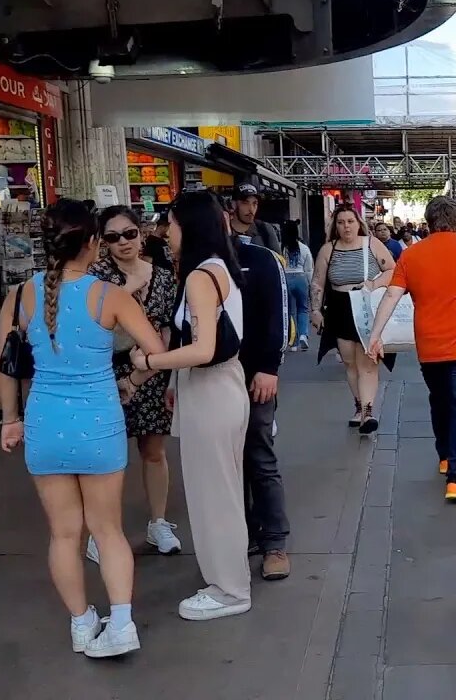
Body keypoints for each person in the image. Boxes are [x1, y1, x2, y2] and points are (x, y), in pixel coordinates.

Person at [0, 200, 166, 658]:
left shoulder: (21, 295)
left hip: (44, 425)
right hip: (99, 425)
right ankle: (122, 623)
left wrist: (11, 420)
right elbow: (156, 351)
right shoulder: (110, 296)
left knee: (64, 534)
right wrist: (131, 381)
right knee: (107, 530)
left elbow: (7, 365)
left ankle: (80, 622)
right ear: (92, 242)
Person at [128, 190, 254, 620]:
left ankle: (229, 589)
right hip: (218, 387)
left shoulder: (202, 276)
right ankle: (229, 580)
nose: (166, 232)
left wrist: (150, 362)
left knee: (212, 493)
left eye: (171, 223)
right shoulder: (220, 268)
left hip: (212, 389)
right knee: (222, 490)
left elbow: (202, 348)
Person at [365, 196, 456, 502]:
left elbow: (391, 296)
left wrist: (375, 335)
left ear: (429, 223)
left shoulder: (413, 255)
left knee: (441, 400)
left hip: (430, 347)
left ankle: (445, 455)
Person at [84, 206, 181, 565]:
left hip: (152, 369)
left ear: (141, 233)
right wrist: (128, 289)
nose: (123, 242)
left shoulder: (164, 276)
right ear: (102, 242)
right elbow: (91, 325)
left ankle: (158, 521)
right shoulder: (96, 276)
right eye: (112, 237)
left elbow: (170, 327)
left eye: (129, 233)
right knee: (108, 458)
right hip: (104, 371)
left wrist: (162, 369)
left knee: (153, 449)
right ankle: (103, 531)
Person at [228, 194, 294, 583]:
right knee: (225, 463)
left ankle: (273, 541)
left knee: (258, 456)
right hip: (210, 378)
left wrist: (269, 367)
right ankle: (242, 535)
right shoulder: (197, 267)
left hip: (253, 376)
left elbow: (278, 316)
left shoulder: (263, 258)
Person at [311, 204, 396, 434]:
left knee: (367, 361)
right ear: (335, 226)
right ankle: (359, 406)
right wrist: (315, 310)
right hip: (340, 308)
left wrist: (373, 284)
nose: (346, 226)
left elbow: (392, 271)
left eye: (350, 221)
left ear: (358, 223)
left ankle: (368, 412)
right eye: (340, 222)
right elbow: (318, 281)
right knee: (350, 362)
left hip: (367, 307)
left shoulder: (372, 244)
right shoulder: (328, 250)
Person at [282, 221, 315, 350]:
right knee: (303, 309)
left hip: (286, 279)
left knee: (290, 311)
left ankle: (293, 342)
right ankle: (303, 335)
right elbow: (309, 268)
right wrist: (311, 284)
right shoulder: (304, 248)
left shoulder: (281, 247)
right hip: (301, 279)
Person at [230, 183, 281, 254]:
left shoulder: (264, 230)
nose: (251, 209)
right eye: (245, 203)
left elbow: (279, 262)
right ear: (234, 204)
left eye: (254, 203)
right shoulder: (223, 231)